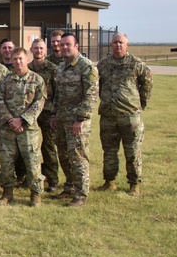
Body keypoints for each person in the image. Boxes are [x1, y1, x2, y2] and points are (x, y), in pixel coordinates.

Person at [96, 33, 152, 196]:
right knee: (109, 150)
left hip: (130, 115)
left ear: (127, 45)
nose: (117, 45)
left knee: (132, 151)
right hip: (108, 115)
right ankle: (109, 181)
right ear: (111, 45)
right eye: (115, 43)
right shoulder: (103, 64)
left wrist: (139, 104)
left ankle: (134, 184)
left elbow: (147, 85)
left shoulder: (136, 64)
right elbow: (98, 85)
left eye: (121, 42)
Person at [51, 33, 99, 207]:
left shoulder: (86, 67)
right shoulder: (61, 66)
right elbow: (58, 94)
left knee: (78, 156)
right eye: (62, 45)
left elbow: (91, 94)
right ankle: (69, 187)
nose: (64, 47)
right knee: (63, 155)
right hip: (62, 119)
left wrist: (80, 118)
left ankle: (80, 194)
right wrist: (54, 114)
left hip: (77, 122)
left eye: (68, 44)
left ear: (76, 46)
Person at [0, 47, 47, 206]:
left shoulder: (37, 80)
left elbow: (39, 103)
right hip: (8, 128)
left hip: (28, 130)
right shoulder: (5, 80)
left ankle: (35, 194)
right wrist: (11, 120)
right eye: (15, 59)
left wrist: (23, 120)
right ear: (11, 60)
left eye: (20, 58)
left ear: (27, 59)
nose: (18, 62)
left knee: (32, 162)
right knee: (6, 162)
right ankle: (7, 193)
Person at [28, 38, 59, 192]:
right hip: (29, 113)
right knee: (28, 146)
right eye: (35, 48)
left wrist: (55, 113)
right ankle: (28, 177)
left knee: (49, 146)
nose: (38, 51)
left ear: (45, 50)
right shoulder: (27, 68)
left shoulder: (53, 69)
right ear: (31, 50)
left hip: (48, 112)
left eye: (41, 48)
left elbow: (58, 93)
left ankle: (52, 180)